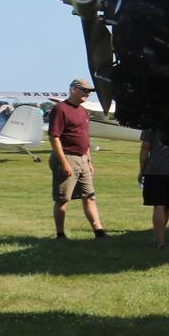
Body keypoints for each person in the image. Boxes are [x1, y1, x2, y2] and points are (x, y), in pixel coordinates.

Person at [49, 78, 107, 240]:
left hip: (83, 159)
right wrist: (64, 163)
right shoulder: (60, 109)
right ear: (73, 89)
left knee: (90, 196)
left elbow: (84, 138)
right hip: (67, 157)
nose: (87, 94)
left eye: (89, 92)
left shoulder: (83, 111)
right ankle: (60, 234)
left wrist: (89, 160)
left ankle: (99, 232)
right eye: (84, 90)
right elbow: (54, 137)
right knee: (63, 199)